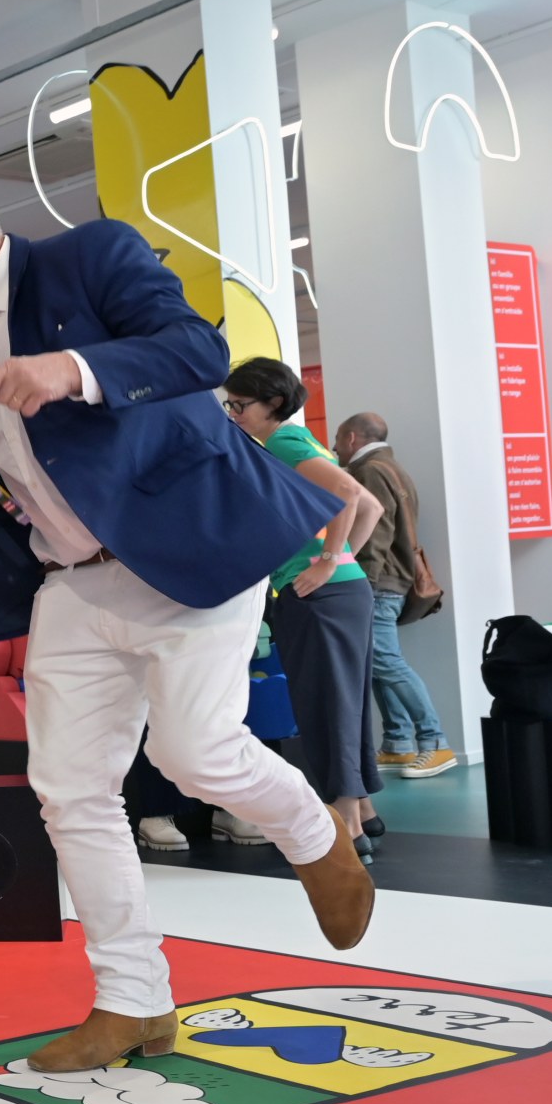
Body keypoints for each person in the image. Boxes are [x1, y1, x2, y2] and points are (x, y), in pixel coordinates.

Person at [0, 169, 370, 1075]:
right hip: (73, 584)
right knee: (67, 789)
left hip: (193, 549)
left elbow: (195, 350)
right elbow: (6, 500)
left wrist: (74, 370)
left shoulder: (90, 258)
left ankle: (315, 833)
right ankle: (132, 1000)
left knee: (195, 752)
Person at [224, 361, 385, 860]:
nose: (233, 414)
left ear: (272, 403)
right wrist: (341, 561)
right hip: (344, 592)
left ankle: (346, 820)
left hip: (318, 595)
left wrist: (327, 561)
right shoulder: (302, 441)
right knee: (347, 701)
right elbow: (368, 506)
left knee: (326, 706)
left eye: (240, 405)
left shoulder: (283, 443)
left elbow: (347, 495)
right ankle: (362, 808)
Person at [334, 412, 455, 780]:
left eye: (338, 439)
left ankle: (435, 742)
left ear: (352, 438)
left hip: (379, 581)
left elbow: (377, 531)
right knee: (377, 662)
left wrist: (361, 580)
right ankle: (399, 744)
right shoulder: (394, 468)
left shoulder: (370, 471)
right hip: (394, 580)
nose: (334, 447)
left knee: (385, 661)